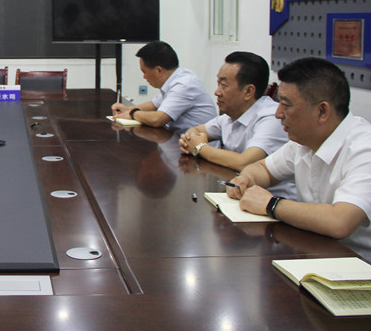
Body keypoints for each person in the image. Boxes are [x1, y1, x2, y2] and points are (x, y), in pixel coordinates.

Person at [227, 58, 371, 258]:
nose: (278, 114)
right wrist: (246, 179)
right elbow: (263, 168)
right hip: (315, 253)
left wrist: (271, 204)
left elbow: (340, 222)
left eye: (285, 105)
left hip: (358, 265)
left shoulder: (364, 149)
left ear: (322, 111)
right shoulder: (303, 142)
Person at [179, 52, 289, 170]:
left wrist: (200, 147)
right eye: (218, 84)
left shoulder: (272, 118)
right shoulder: (231, 115)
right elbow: (195, 130)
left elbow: (244, 163)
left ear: (248, 91)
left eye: (223, 85)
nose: (217, 92)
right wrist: (189, 141)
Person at [112, 41, 216, 133]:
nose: (144, 77)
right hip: (180, 139)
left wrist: (132, 113)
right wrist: (127, 109)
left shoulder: (184, 85)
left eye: (144, 72)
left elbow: (158, 119)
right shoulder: (175, 78)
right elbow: (154, 104)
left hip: (199, 146)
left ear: (159, 70)